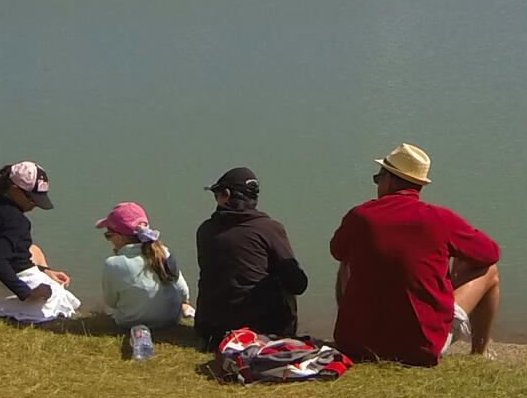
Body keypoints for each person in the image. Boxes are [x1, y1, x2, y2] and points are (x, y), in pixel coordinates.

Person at [331, 143, 501, 367]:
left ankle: (358, 328)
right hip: (421, 349)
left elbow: (336, 250)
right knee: (490, 271)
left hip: (355, 346)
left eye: (377, 178)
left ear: (390, 180)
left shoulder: (360, 216)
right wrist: (456, 257)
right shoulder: (439, 219)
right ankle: (479, 353)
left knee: (346, 258)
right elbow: (490, 253)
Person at [195, 166, 308, 350]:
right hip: (260, 331)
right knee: (284, 276)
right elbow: (298, 284)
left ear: (226, 195)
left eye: (216, 194)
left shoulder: (205, 230)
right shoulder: (269, 229)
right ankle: (284, 333)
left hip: (210, 330)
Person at [0, 161, 80, 322]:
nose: (35, 205)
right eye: (32, 199)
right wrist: (27, 293)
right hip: (17, 285)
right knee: (60, 295)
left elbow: (5, 256)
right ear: (15, 190)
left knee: (34, 249)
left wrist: (44, 270)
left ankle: (41, 276)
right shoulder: (16, 221)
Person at [96, 201, 194, 328]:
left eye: (108, 236)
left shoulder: (112, 264)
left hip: (129, 322)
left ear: (120, 237)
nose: (109, 241)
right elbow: (183, 292)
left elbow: (111, 302)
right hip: (170, 320)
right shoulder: (164, 252)